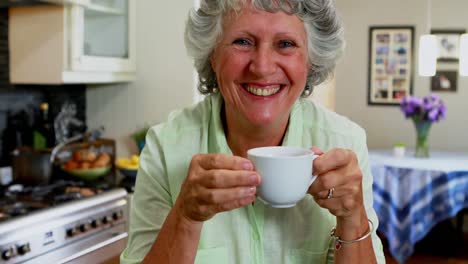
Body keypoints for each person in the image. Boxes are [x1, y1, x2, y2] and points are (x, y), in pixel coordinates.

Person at [121, 0, 385, 263]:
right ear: (212, 55)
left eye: (285, 44)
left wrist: (353, 218)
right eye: (242, 42)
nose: (262, 67)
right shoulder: (165, 146)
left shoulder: (345, 141)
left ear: (311, 60)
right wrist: (186, 218)